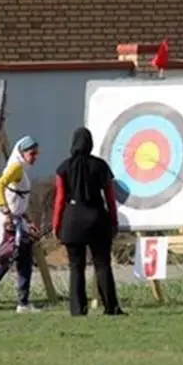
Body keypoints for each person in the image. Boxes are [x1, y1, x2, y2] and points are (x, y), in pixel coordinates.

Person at [52, 127, 125, 317]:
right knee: (103, 265)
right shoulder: (101, 166)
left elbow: (60, 199)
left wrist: (56, 225)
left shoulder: (63, 167)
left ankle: (77, 309)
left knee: (76, 267)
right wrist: (114, 222)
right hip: (97, 219)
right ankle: (111, 307)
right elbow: (110, 198)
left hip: (72, 220)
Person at [0, 136, 43, 314]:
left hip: (17, 221)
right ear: (22, 153)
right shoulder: (16, 167)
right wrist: (5, 211)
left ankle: (22, 303)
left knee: (24, 261)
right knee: (3, 262)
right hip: (9, 224)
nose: (35, 157)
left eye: (36, 153)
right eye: (31, 153)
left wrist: (28, 220)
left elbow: (17, 200)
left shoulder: (20, 169)